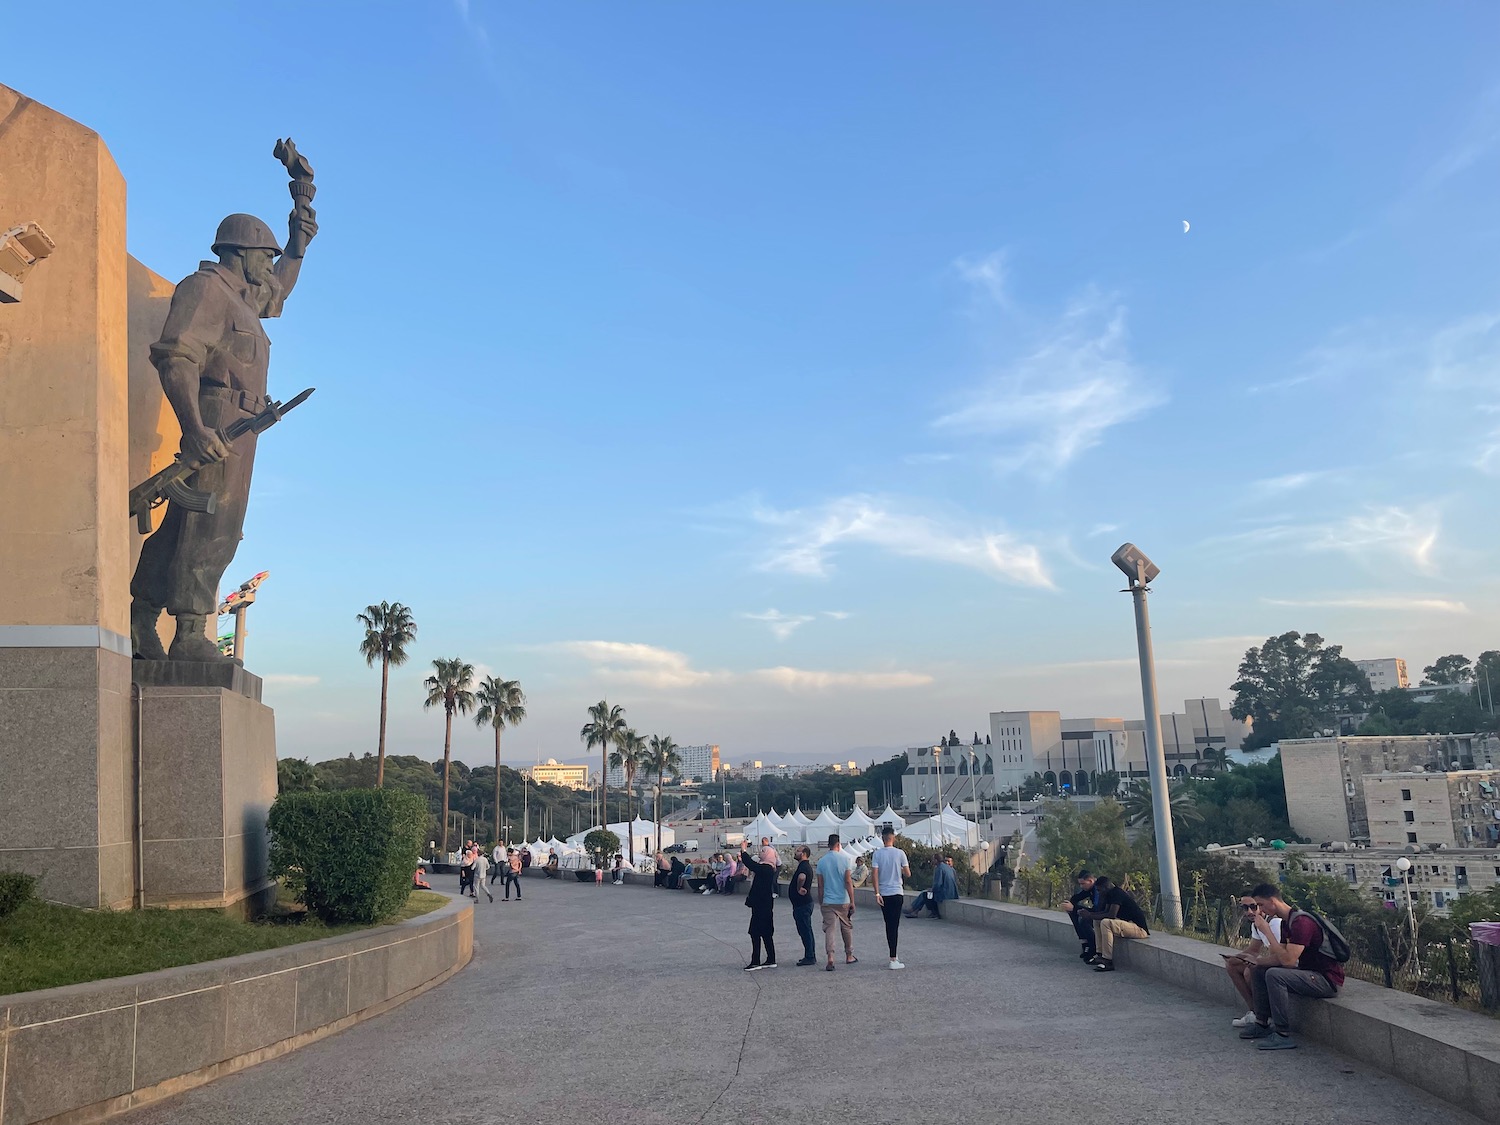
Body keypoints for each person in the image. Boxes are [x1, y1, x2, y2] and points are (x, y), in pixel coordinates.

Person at [1239, 883, 1344, 1050]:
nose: (1260, 910)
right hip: (1307, 973)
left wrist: (1267, 931)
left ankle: (1282, 1034)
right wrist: (1256, 961)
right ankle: (1262, 1023)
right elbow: (1279, 957)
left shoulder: (1301, 922)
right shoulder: (1286, 923)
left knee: (1274, 975)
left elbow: (1288, 961)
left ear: (1273, 901)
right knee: (1258, 970)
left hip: (1326, 980)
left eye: (1260, 905)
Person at [1222, 893, 1284, 1027]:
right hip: (1272, 961)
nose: (1249, 912)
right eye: (1245, 908)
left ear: (1261, 906)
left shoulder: (1274, 923)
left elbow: (1278, 956)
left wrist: (1254, 961)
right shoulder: (1256, 924)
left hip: (1286, 964)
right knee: (1231, 965)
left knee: (1250, 971)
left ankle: (1265, 1015)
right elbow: (1254, 949)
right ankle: (1254, 1011)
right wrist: (1237, 957)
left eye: (1253, 907)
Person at [1081, 876, 1150, 972]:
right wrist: (1090, 915)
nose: (1099, 893)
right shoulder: (1109, 894)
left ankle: (1107, 960)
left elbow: (1111, 915)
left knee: (1106, 922)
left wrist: (1089, 915)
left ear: (1106, 886)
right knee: (1097, 921)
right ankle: (1100, 953)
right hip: (1127, 924)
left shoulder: (1117, 893)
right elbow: (1104, 911)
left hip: (1139, 929)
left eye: (1100, 890)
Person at [869, 827, 912, 969]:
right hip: (897, 892)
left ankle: (893, 954)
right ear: (893, 837)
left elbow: (874, 874)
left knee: (889, 925)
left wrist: (877, 893)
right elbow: (908, 874)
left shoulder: (877, 854)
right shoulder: (900, 853)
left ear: (882, 838)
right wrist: (898, 869)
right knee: (895, 925)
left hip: (884, 893)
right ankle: (893, 958)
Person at [815, 833, 857, 971]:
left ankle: (830, 958)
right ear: (838, 845)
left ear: (828, 845)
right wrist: (852, 900)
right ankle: (849, 955)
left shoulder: (821, 861)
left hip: (828, 900)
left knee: (830, 930)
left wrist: (821, 901)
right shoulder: (845, 859)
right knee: (846, 927)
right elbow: (848, 881)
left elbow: (820, 885)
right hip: (843, 900)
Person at [739, 847, 779, 971]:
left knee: (755, 932)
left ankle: (755, 961)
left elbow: (751, 864)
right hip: (765, 905)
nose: (760, 852)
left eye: (763, 851)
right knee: (766, 933)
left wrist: (744, 850)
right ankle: (771, 959)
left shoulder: (766, 868)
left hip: (761, 905)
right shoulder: (769, 868)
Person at [788, 845, 818, 966]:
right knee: (806, 930)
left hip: (803, 904)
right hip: (802, 904)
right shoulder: (804, 866)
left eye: (798, 851)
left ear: (804, 853)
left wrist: (799, 887)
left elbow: (802, 877)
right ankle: (809, 954)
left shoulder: (804, 866)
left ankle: (810, 956)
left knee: (805, 930)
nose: (796, 852)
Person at [1061, 870, 1100, 961]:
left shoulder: (1097, 889)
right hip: (1097, 912)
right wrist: (1070, 904)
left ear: (1090, 881)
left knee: (1082, 918)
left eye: (1083, 884)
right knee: (1073, 912)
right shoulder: (1089, 889)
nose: (1081, 886)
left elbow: (1097, 909)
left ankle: (1093, 947)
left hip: (1105, 913)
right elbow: (1077, 897)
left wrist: (1075, 908)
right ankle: (1084, 942)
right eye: (1080, 884)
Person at [905, 854, 958, 919]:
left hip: (945, 893)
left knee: (925, 895)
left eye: (933, 859)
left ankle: (916, 910)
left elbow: (938, 884)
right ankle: (915, 910)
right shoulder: (949, 868)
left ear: (936, 860)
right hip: (952, 893)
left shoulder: (939, 868)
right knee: (927, 894)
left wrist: (932, 889)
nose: (932, 861)